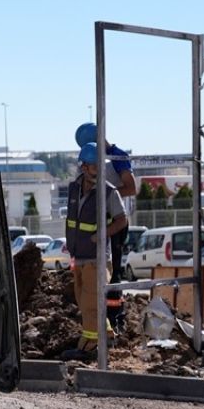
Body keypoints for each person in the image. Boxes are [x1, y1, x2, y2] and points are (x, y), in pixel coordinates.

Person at [62, 142, 128, 361]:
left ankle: (90, 347)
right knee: (84, 302)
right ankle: (107, 335)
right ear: (84, 167)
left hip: (97, 258)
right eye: (94, 166)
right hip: (78, 256)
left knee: (90, 304)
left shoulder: (108, 192)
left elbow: (122, 220)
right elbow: (73, 221)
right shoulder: (73, 189)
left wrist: (101, 235)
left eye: (100, 165)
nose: (98, 170)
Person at [75, 122, 135, 328]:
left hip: (115, 224)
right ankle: (98, 314)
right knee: (93, 274)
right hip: (96, 226)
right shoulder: (89, 159)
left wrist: (107, 194)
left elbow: (131, 187)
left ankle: (114, 314)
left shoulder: (117, 157)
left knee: (113, 272)